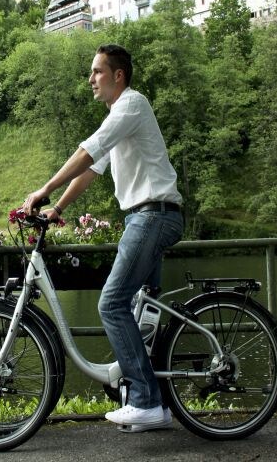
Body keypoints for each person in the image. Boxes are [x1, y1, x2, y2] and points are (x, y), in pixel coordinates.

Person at [23, 44, 183, 432]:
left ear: (118, 76)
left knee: (112, 304)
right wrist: (58, 208)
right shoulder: (122, 115)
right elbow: (92, 168)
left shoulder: (131, 106)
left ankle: (144, 400)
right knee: (142, 310)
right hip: (147, 216)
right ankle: (154, 403)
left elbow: (86, 150)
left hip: (151, 216)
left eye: (97, 72)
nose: (90, 79)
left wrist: (43, 189)